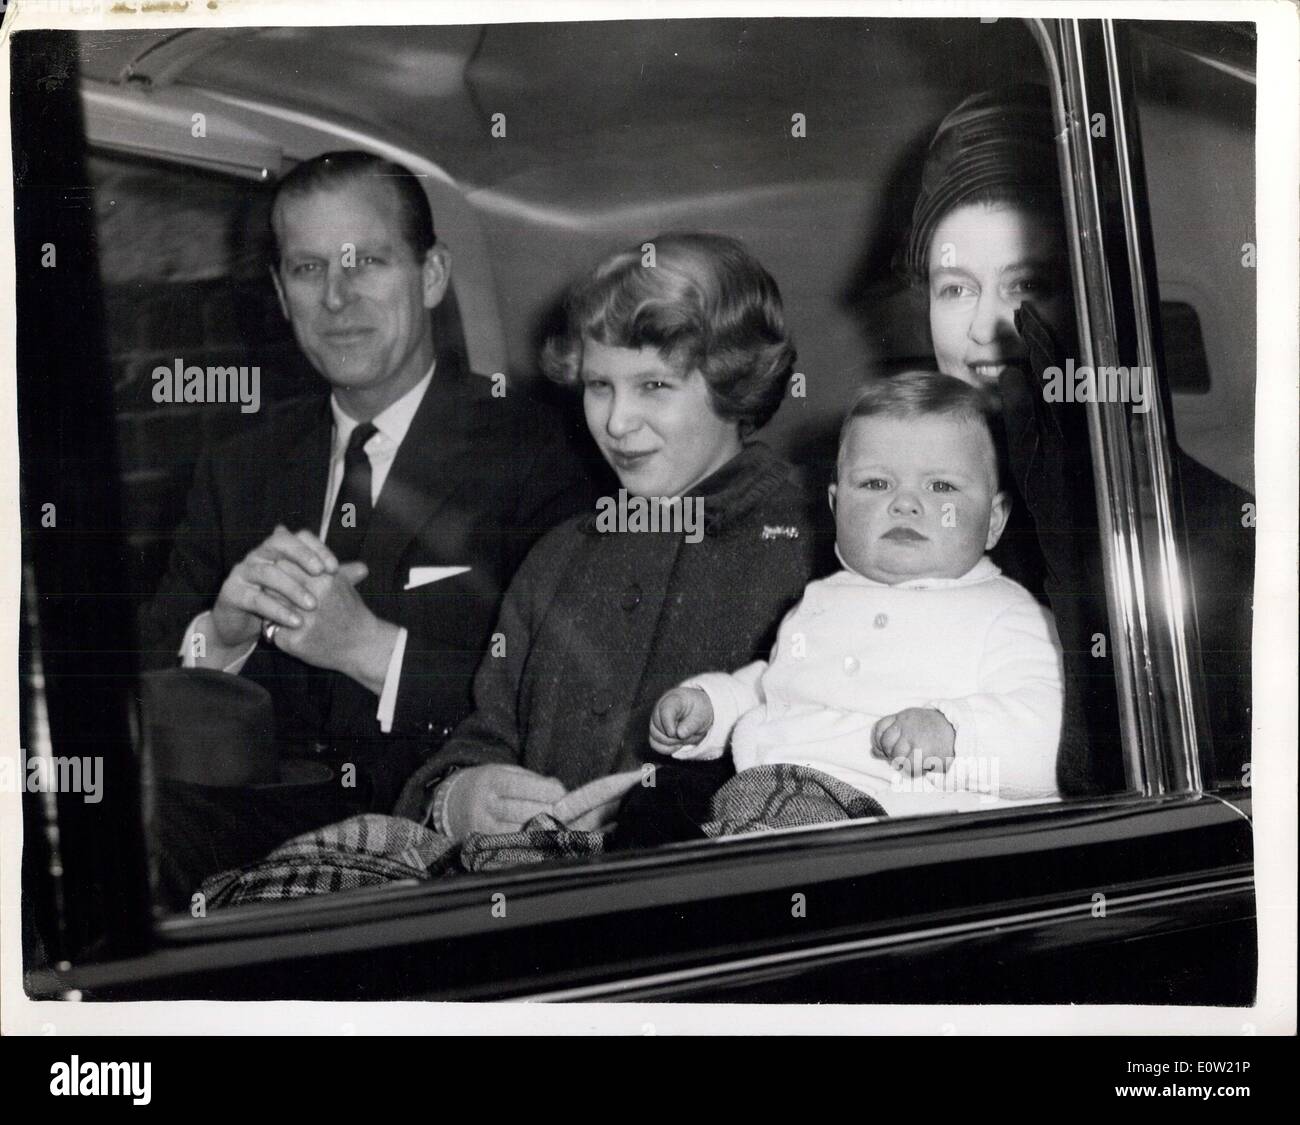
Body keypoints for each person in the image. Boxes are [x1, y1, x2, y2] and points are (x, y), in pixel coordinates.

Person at [140, 151, 593, 891]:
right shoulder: (238, 466)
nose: (338, 297)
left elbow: (560, 702)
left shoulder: (539, 454)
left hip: (430, 854)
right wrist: (218, 638)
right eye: (309, 269)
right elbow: (142, 688)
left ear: (434, 275)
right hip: (233, 842)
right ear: (282, 297)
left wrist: (367, 647)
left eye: (368, 262)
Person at [393, 232, 834, 842]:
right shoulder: (561, 554)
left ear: (734, 384)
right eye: (600, 386)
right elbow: (489, 729)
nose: (616, 422)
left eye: (654, 386)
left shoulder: (818, 545)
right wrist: (457, 797)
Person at [898, 85, 1255, 794]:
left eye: (1028, 283)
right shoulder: (888, 505)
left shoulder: (1205, 524)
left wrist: (1073, 516)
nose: (987, 329)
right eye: (956, 288)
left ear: (1098, 295)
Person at [649, 372, 1062, 824]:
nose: (905, 503)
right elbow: (777, 686)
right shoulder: (822, 599)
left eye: (941, 486)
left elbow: (1051, 738)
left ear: (995, 521)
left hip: (896, 823)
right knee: (650, 807)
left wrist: (952, 730)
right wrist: (713, 706)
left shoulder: (1008, 614)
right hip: (767, 792)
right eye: (875, 484)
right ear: (835, 505)